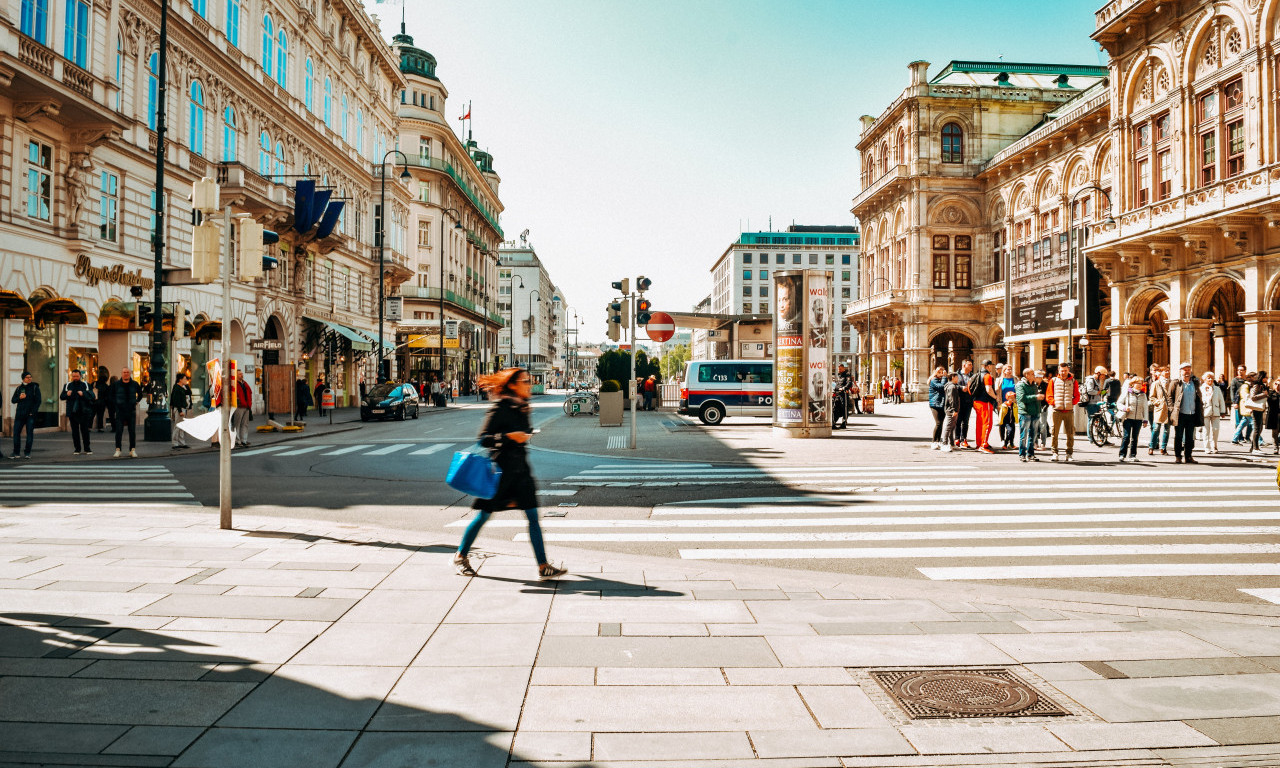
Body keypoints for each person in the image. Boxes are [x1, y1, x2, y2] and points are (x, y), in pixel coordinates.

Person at [454, 368, 567, 581]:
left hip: (521, 473)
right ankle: (461, 555)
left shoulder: (522, 407)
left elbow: (524, 433)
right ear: (513, 385)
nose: (529, 385)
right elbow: (484, 439)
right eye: (525, 381)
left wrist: (523, 434)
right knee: (483, 516)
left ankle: (543, 566)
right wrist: (508, 437)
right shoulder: (501, 408)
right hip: (501, 474)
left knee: (533, 516)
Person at [1169, 362, 1204, 464]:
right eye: (1185, 369)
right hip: (1180, 414)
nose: (1187, 371)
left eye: (1188, 369)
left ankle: (1188, 456)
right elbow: (1169, 397)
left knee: (1190, 437)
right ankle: (1178, 456)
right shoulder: (1176, 382)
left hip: (1192, 413)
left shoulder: (1195, 382)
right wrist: (1172, 409)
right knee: (1179, 436)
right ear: (1180, 371)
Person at [1046, 364, 1080, 461]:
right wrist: (1054, 403)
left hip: (1069, 411)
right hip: (1056, 411)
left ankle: (1069, 454)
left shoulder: (1073, 381)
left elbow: (1077, 395)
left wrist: (1072, 403)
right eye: (1062, 370)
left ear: (1068, 370)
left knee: (1070, 433)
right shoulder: (1053, 381)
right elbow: (1049, 395)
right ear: (1058, 370)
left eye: (1065, 370)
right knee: (1054, 433)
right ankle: (1055, 453)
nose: (1063, 372)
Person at [108, 368, 143, 458]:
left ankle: (132, 450)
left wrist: (136, 401)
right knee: (119, 431)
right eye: (124, 372)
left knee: (132, 431)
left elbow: (140, 393)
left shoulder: (134, 384)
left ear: (130, 373)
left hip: (131, 410)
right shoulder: (116, 384)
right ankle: (118, 450)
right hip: (120, 411)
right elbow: (110, 395)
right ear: (121, 373)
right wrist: (116, 403)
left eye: (127, 372)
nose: (126, 374)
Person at [60, 369, 95, 456]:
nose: (75, 378)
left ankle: (87, 448)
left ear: (80, 376)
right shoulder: (67, 385)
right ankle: (77, 449)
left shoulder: (85, 385)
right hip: (72, 412)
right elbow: (61, 397)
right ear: (72, 376)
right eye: (74, 376)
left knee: (85, 431)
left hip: (84, 411)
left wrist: (83, 394)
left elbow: (92, 396)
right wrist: (67, 394)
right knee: (75, 431)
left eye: (77, 376)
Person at [1116, 375, 1149, 462]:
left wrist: (1145, 420)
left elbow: (1145, 408)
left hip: (1138, 419)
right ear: (1132, 384)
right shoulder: (1127, 393)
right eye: (1137, 383)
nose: (1139, 385)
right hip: (1128, 418)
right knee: (1126, 437)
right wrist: (1124, 408)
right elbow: (1118, 403)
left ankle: (1132, 455)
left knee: (1135, 437)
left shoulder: (1143, 395)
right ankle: (1122, 454)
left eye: (1141, 383)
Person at [11, 371, 42, 459]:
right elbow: (13, 400)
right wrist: (19, 398)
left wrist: (33, 411)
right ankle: (16, 452)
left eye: (30, 377)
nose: (29, 379)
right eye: (27, 377)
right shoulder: (19, 388)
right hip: (20, 414)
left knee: (29, 434)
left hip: (30, 415)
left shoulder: (35, 387)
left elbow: (38, 401)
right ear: (23, 378)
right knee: (16, 433)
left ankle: (27, 452)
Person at [971, 359, 1000, 454]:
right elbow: (989, 389)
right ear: (988, 366)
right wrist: (996, 397)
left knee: (979, 423)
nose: (992, 367)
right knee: (987, 423)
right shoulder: (987, 376)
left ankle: (979, 443)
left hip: (977, 401)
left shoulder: (976, 374)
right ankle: (983, 444)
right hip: (985, 402)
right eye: (991, 366)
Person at [1015, 367, 1043, 462]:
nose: (1034, 376)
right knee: (1024, 435)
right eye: (1032, 374)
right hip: (1025, 412)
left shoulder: (1034, 385)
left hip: (1035, 411)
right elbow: (1022, 398)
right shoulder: (1020, 385)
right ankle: (1022, 454)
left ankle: (1031, 454)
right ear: (1026, 375)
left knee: (1033, 435)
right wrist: (1036, 397)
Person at [1243, 371, 1269, 454]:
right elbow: (1253, 397)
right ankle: (1255, 448)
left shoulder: (1262, 385)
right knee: (1257, 429)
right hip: (1256, 409)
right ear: (1262, 377)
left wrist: (1266, 390)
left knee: (1259, 428)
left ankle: (1253, 447)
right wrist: (1264, 394)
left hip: (1260, 409)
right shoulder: (1256, 385)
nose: (1267, 378)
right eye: (1266, 377)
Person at [1200, 371, 1226, 454]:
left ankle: (1214, 446)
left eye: (1211, 377)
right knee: (1206, 431)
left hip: (1215, 411)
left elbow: (1221, 400)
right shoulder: (1200, 389)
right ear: (1204, 379)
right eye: (1208, 378)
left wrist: (1223, 411)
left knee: (1215, 430)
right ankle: (1207, 447)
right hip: (1205, 412)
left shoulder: (1217, 389)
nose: (1210, 379)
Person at [1148, 366, 1171, 456]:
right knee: (1156, 428)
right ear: (1161, 372)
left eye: (1168, 371)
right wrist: (1158, 402)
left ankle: (1163, 448)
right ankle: (1151, 446)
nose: (1167, 372)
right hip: (1159, 409)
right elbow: (1152, 397)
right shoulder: (1156, 383)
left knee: (1167, 429)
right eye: (1165, 371)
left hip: (1169, 409)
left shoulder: (1172, 383)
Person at [939, 371, 961, 453]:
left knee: (952, 427)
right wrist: (954, 410)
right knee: (949, 427)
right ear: (953, 377)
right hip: (951, 410)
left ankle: (951, 443)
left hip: (951, 409)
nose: (958, 379)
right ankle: (944, 443)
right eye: (957, 377)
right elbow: (952, 399)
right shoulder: (952, 387)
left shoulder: (951, 386)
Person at [1230, 365, 1251, 445]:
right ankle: (1240, 437)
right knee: (1239, 421)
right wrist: (1234, 403)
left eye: (1241, 370)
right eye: (1238, 370)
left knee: (1249, 421)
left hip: (1247, 403)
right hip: (1238, 403)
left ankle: (1247, 436)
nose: (1239, 371)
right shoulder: (1235, 380)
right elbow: (1232, 391)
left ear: (1245, 371)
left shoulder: (1247, 380)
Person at [955, 360, 974, 448]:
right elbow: (951, 385)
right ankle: (956, 438)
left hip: (968, 401)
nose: (971, 366)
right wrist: (961, 388)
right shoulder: (956, 375)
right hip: (958, 400)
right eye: (969, 365)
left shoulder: (972, 376)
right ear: (964, 365)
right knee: (958, 421)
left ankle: (964, 439)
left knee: (965, 421)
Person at [231, 372, 253, 447]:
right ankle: (237, 440)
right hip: (239, 406)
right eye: (240, 374)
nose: (242, 375)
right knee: (237, 423)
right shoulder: (235, 384)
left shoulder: (245, 384)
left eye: (242, 374)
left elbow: (250, 392)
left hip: (246, 406)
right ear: (236, 375)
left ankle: (244, 440)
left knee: (245, 424)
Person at [927, 366, 947, 448]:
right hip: (935, 403)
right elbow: (941, 387)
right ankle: (934, 441)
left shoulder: (942, 380)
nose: (941, 373)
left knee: (941, 423)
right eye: (939, 372)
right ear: (935, 372)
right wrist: (945, 377)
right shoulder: (934, 380)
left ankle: (938, 440)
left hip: (942, 403)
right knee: (938, 423)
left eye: (942, 372)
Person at [834, 364, 852, 428]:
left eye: (840, 369)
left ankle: (844, 422)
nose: (839, 370)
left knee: (844, 407)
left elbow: (849, 382)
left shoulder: (847, 375)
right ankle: (834, 422)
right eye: (838, 369)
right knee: (836, 407)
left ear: (843, 368)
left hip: (843, 394)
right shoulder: (839, 376)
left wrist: (844, 388)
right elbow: (837, 384)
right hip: (837, 393)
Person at [92, 365, 110, 432]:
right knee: (100, 415)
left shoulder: (94, 384)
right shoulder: (106, 386)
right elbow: (107, 395)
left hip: (94, 401)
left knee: (92, 414)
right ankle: (100, 427)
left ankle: (88, 427)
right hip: (102, 402)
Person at [1267, 377, 1280, 455]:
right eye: (1276, 384)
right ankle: (1275, 447)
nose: (1278, 386)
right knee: (1275, 433)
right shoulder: (1271, 394)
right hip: (1274, 415)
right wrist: (1268, 384)